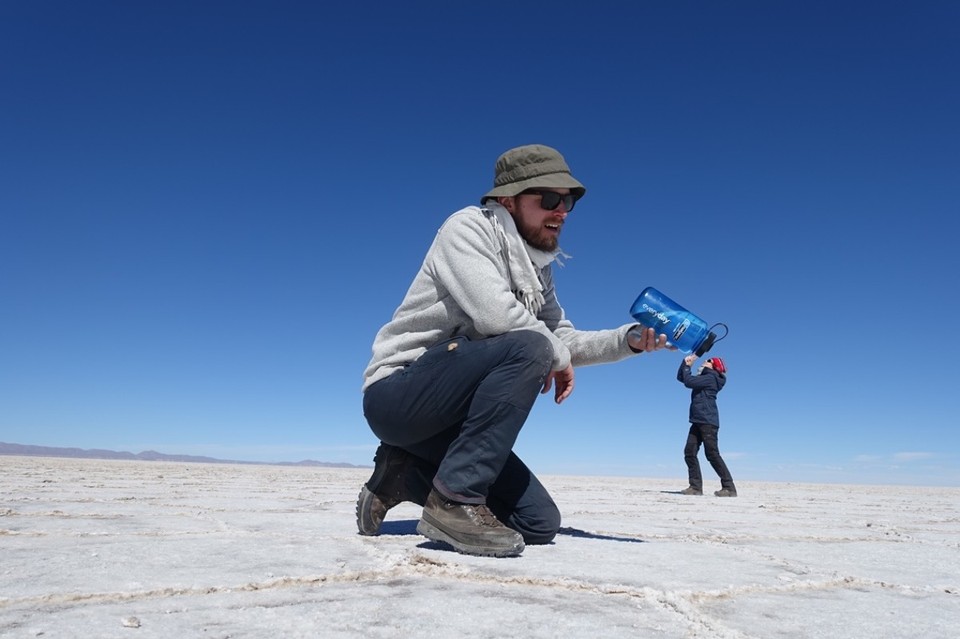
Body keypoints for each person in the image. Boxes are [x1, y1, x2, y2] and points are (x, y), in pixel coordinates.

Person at [357, 144, 673, 558]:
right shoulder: (468, 228)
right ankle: (454, 500)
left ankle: (405, 473)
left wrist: (628, 340)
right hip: (398, 395)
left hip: (447, 423)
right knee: (529, 345)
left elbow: (563, 337)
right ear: (508, 199)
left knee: (538, 523)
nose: (562, 210)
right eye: (549, 198)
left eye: (569, 201)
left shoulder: (536, 269)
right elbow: (497, 317)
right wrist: (551, 354)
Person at [677, 355, 737, 497]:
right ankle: (695, 487)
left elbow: (688, 381)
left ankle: (729, 487)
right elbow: (682, 378)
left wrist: (688, 367)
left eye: (709, 360)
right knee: (689, 452)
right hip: (698, 420)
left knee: (712, 454)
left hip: (707, 421)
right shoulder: (705, 377)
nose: (705, 360)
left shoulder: (711, 378)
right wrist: (685, 364)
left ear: (714, 366)